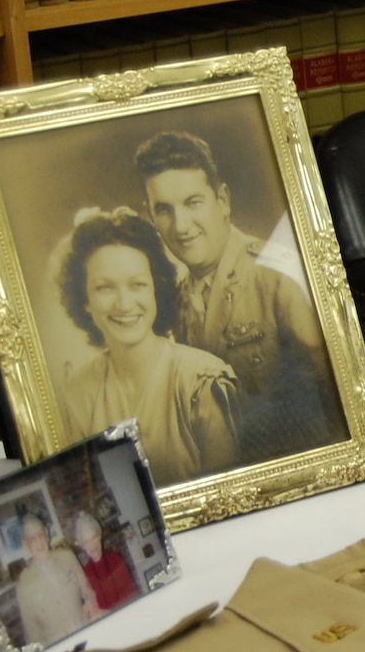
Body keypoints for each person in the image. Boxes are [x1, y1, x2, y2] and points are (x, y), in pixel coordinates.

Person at [135, 130, 344, 463]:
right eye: (164, 210)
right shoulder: (174, 299)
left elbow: (334, 403)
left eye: (193, 203)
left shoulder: (277, 277)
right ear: (151, 217)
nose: (181, 225)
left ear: (222, 200)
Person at [57, 208, 243, 487]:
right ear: (84, 299)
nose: (124, 304)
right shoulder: (77, 393)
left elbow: (229, 496)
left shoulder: (201, 380)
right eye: (105, 288)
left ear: (156, 288)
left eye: (138, 285)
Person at [13, 512, 96, 647]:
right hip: (60, 649)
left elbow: (87, 590)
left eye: (41, 535)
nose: (39, 542)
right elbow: (33, 636)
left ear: (46, 533)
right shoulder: (24, 586)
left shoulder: (67, 557)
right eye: (33, 539)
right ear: (26, 544)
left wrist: (90, 602)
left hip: (87, 634)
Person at [71, 510, 138, 612]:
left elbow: (132, 594)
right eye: (87, 542)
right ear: (83, 546)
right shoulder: (85, 575)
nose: (92, 545)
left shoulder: (116, 559)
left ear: (99, 536)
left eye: (94, 537)